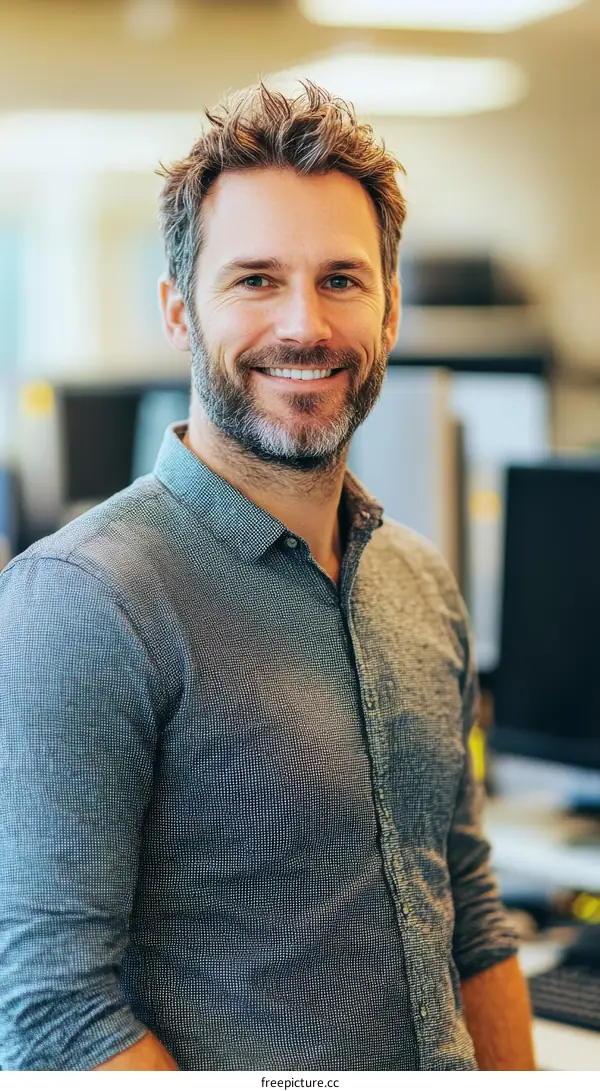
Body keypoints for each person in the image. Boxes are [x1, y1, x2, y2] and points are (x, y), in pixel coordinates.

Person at [0, 82, 535, 1072]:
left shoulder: (421, 582)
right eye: (254, 279)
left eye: (342, 278)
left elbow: (470, 915)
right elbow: (52, 1011)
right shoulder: (84, 600)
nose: (305, 325)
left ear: (391, 306)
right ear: (178, 310)